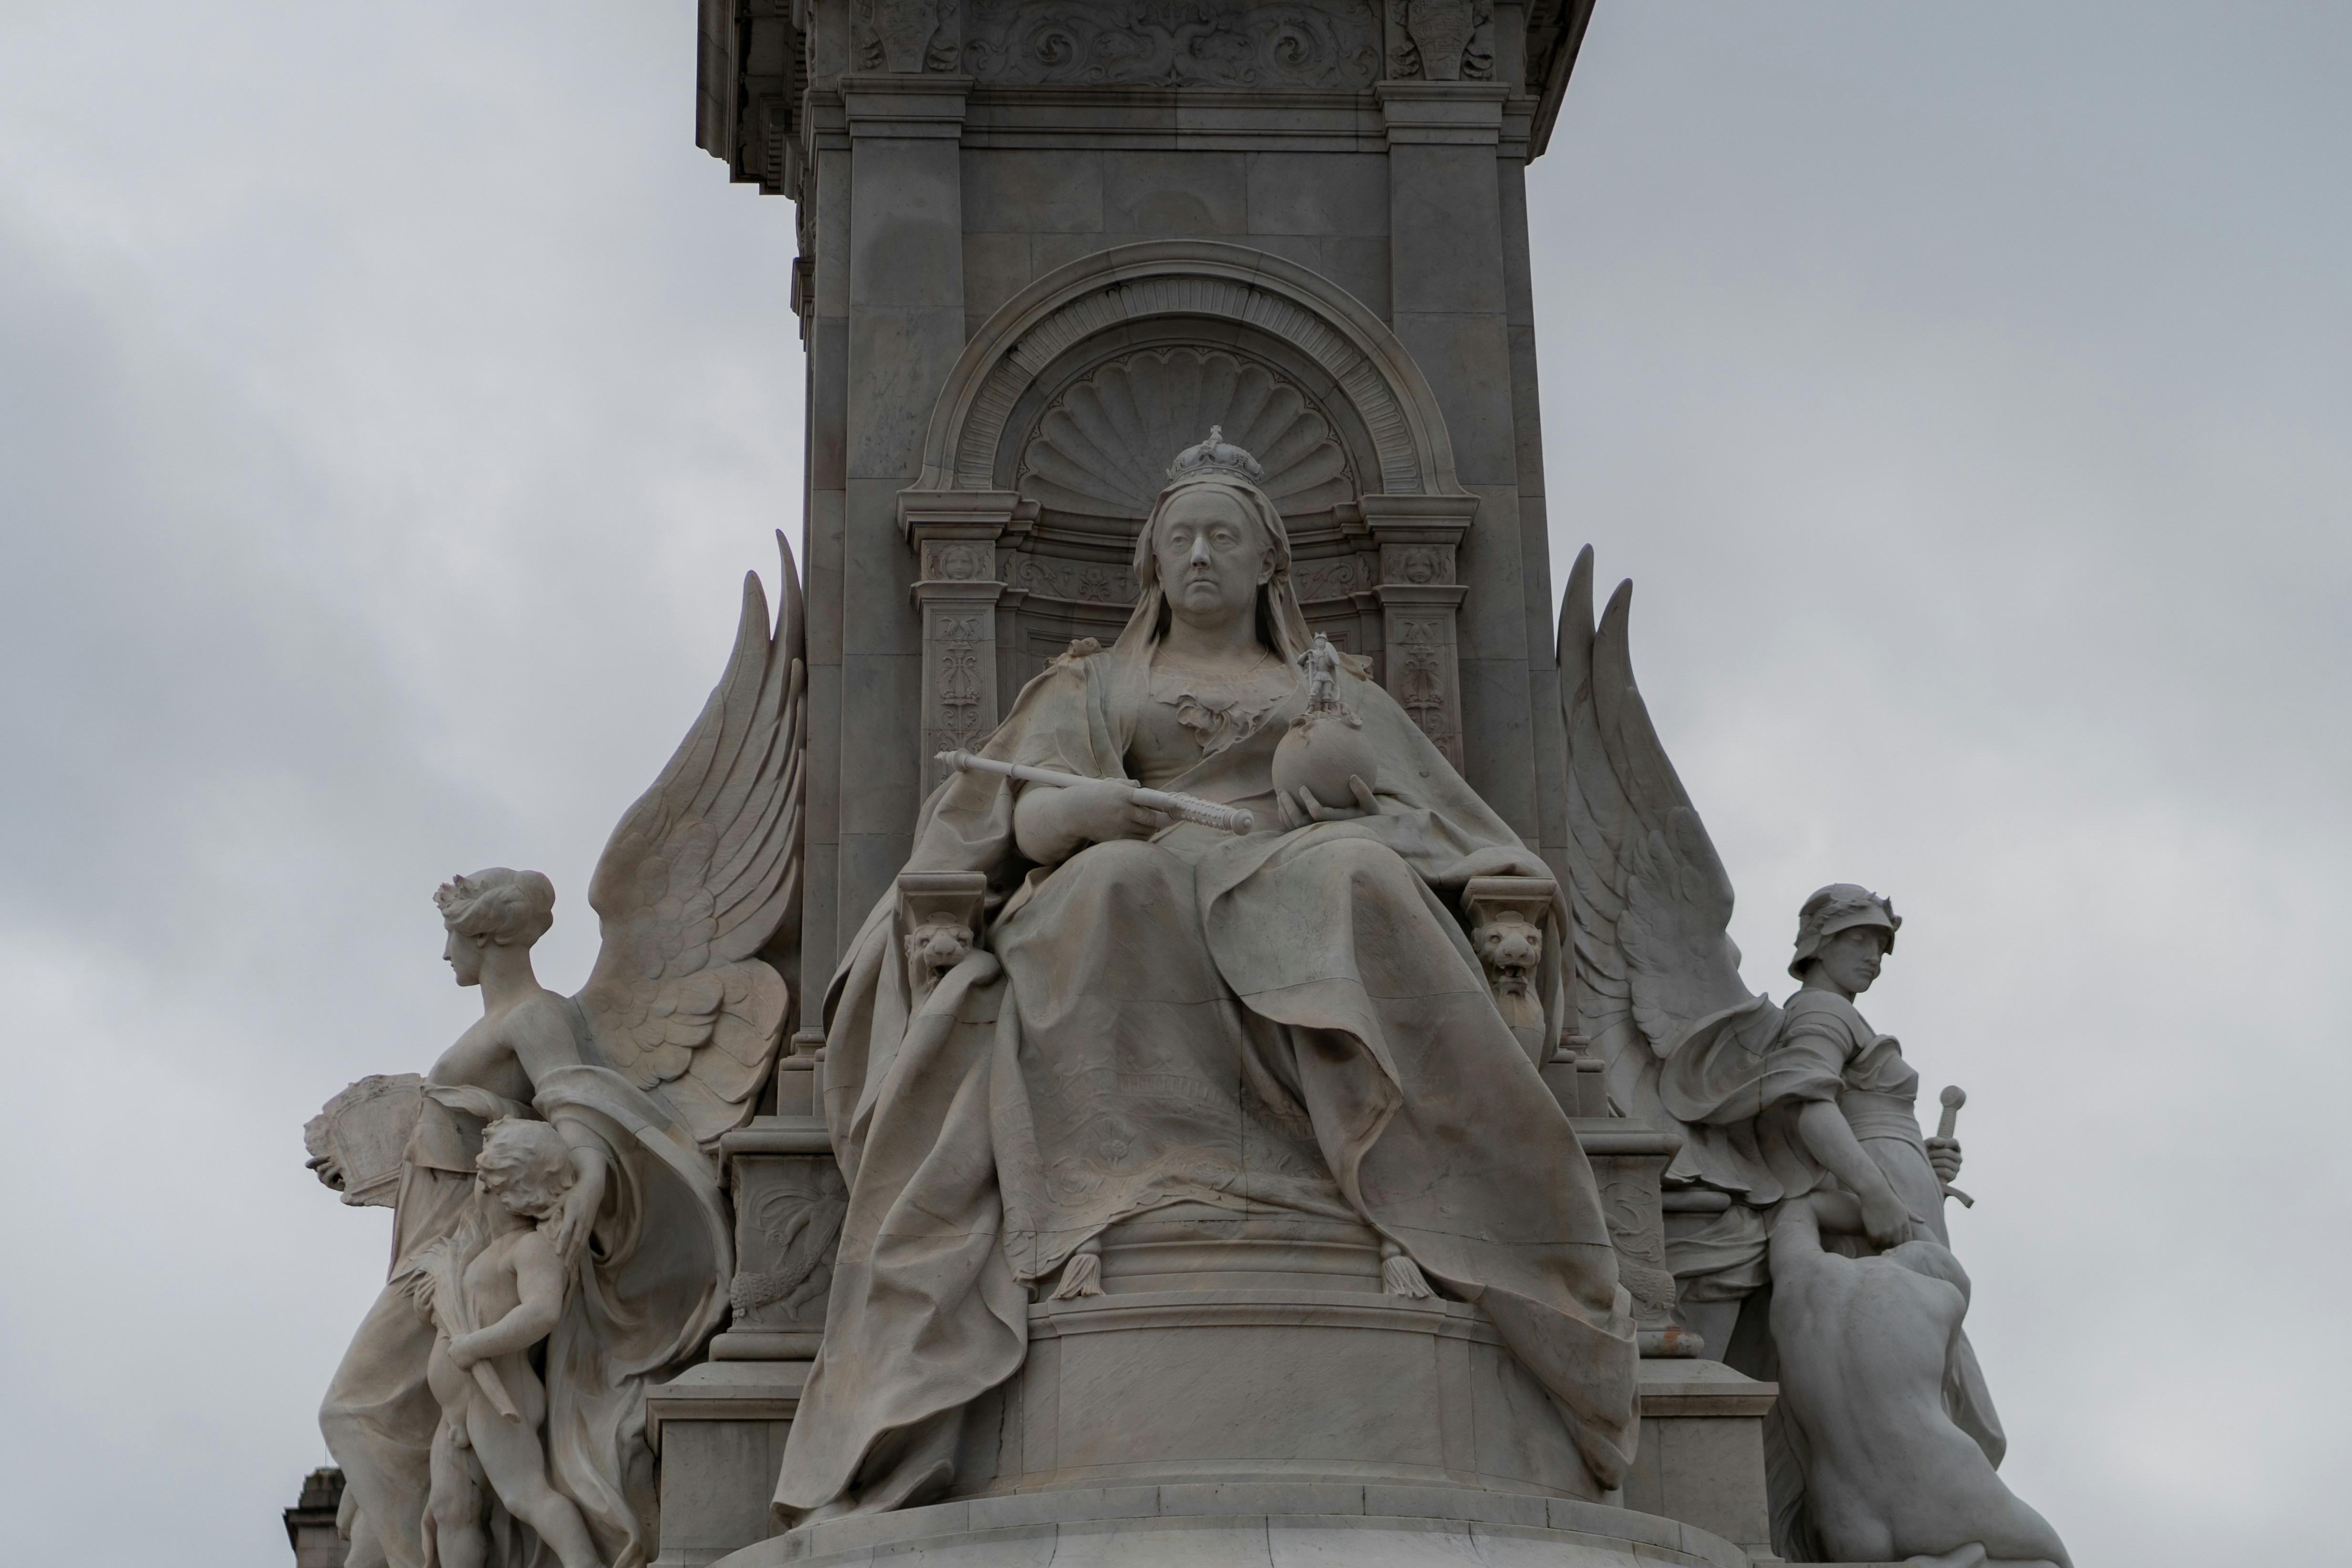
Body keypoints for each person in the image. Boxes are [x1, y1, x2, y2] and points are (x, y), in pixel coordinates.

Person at [772, 431, 1639, 1522]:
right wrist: (1077, 813)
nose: (1198, 555)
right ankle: (1102, 1203)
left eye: (1222, 536)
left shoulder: (1333, 689)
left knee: (1360, 877)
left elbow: (1433, 820)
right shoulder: (1089, 685)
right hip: (1132, 868)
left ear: (1267, 561)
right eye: (1180, 536)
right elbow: (1003, 822)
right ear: (1149, 558)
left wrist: (1341, 802)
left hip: (1295, 866)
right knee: (1110, 885)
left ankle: (1386, 1187)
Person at [1768, 1191, 2069, 1567]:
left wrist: (1887, 1208)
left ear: (1893, 1252)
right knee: (2053, 1560)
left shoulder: (1800, 1275)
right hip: (1941, 1486)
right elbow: (1945, 1385)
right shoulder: (1945, 1297)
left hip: (1846, 1519)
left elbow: (1801, 1209)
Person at [415, 1119, 603, 1568]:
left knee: (526, 1496)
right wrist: (433, 1310)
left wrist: (475, 1345)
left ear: (507, 1191)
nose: (476, 1190)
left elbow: (543, 1311)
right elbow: (465, 1313)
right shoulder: (483, 1253)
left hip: (501, 1398)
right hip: (457, 1409)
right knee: (449, 1509)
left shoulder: (529, 1248)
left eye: (483, 1179)